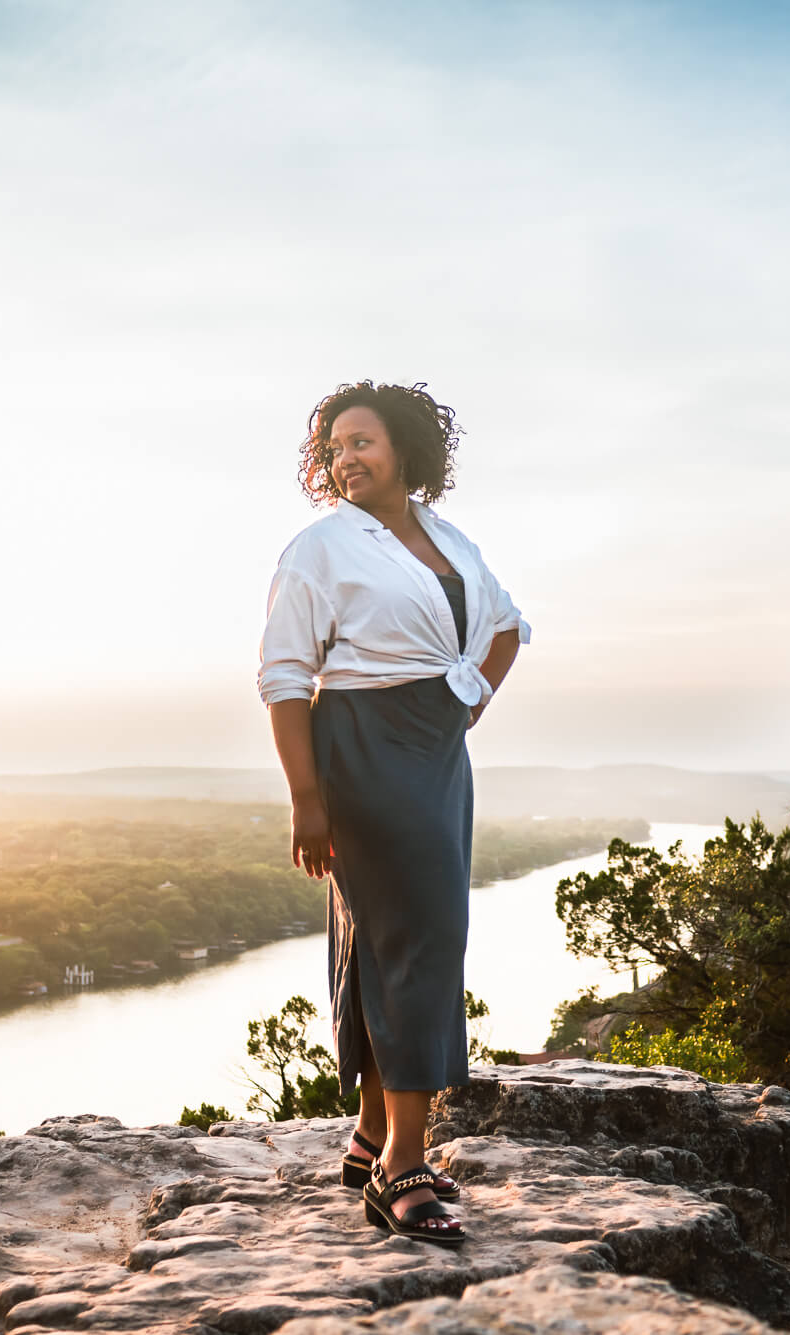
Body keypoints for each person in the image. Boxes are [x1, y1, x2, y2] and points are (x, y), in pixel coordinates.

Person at [257, 380, 528, 1248]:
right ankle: (402, 1164)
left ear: (406, 449)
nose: (346, 459)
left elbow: (510, 627)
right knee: (424, 934)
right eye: (334, 448)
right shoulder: (320, 549)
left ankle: (373, 1132)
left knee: (387, 941)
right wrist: (306, 798)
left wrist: (467, 696)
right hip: (362, 749)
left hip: (437, 753)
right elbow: (286, 678)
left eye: (362, 441)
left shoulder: (451, 541)